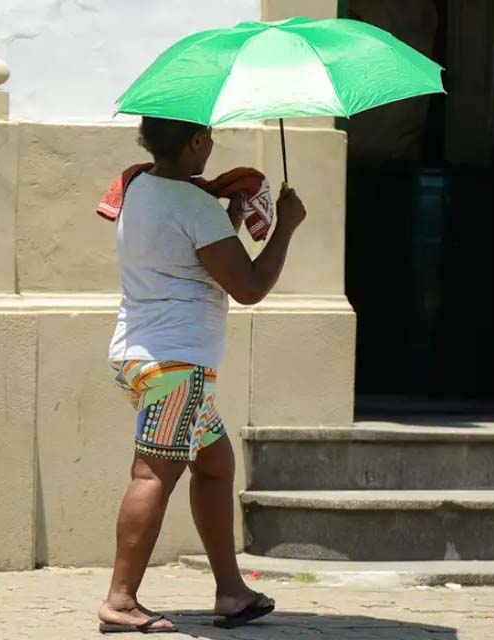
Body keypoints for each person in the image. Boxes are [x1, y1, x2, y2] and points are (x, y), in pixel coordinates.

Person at [97, 116, 307, 634]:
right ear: (194, 142)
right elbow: (249, 286)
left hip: (141, 354)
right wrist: (285, 226)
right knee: (153, 474)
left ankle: (232, 592)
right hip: (177, 364)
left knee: (214, 464)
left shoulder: (138, 185)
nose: (212, 144)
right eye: (208, 136)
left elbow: (188, 258)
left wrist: (229, 218)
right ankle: (121, 601)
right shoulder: (193, 203)